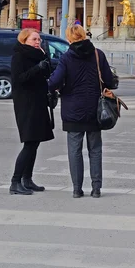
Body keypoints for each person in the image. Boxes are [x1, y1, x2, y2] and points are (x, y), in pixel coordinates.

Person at [48, 25, 114, 198]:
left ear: (69, 39)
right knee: (95, 150)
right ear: (84, 36)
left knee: (74, 150)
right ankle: (96, 189)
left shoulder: (67, 58)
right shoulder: (98, 54)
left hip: (73, 110)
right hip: (95, 110)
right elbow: (109, 80)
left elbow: (53, 82)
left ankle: (77, 189)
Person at [10, 28, 53, 195]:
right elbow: (19, 79)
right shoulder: (19, 56)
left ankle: (27, 179)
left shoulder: (38, 55)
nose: (38, 42)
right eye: (34, 39)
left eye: (39, 40)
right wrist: (37, 68)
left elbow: (47, 75)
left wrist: (45, 60)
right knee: (29, 143)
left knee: (35, 142)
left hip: (39, 102)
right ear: (24, 40)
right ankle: (15, 181)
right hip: (26, 104)